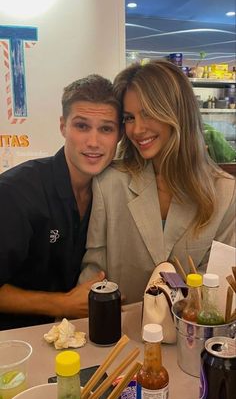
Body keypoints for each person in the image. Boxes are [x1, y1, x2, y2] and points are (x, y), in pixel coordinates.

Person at [79, 60, 236, 304]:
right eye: (129, 118)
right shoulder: (110, 183)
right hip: (120, 334)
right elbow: (93, 271)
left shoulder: (226, 192)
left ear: (177, 113)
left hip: (192, 335)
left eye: (149, 113)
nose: (138, 129)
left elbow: (221, 284)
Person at [0, 74, 121, 329]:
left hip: (80, 339)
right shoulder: (16, 193)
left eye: (106, 129)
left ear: (119, 135)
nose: (93, 142)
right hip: (16, 345)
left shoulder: (111, 191)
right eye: (82, 126)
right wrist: (62, 304)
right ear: (63, 126)